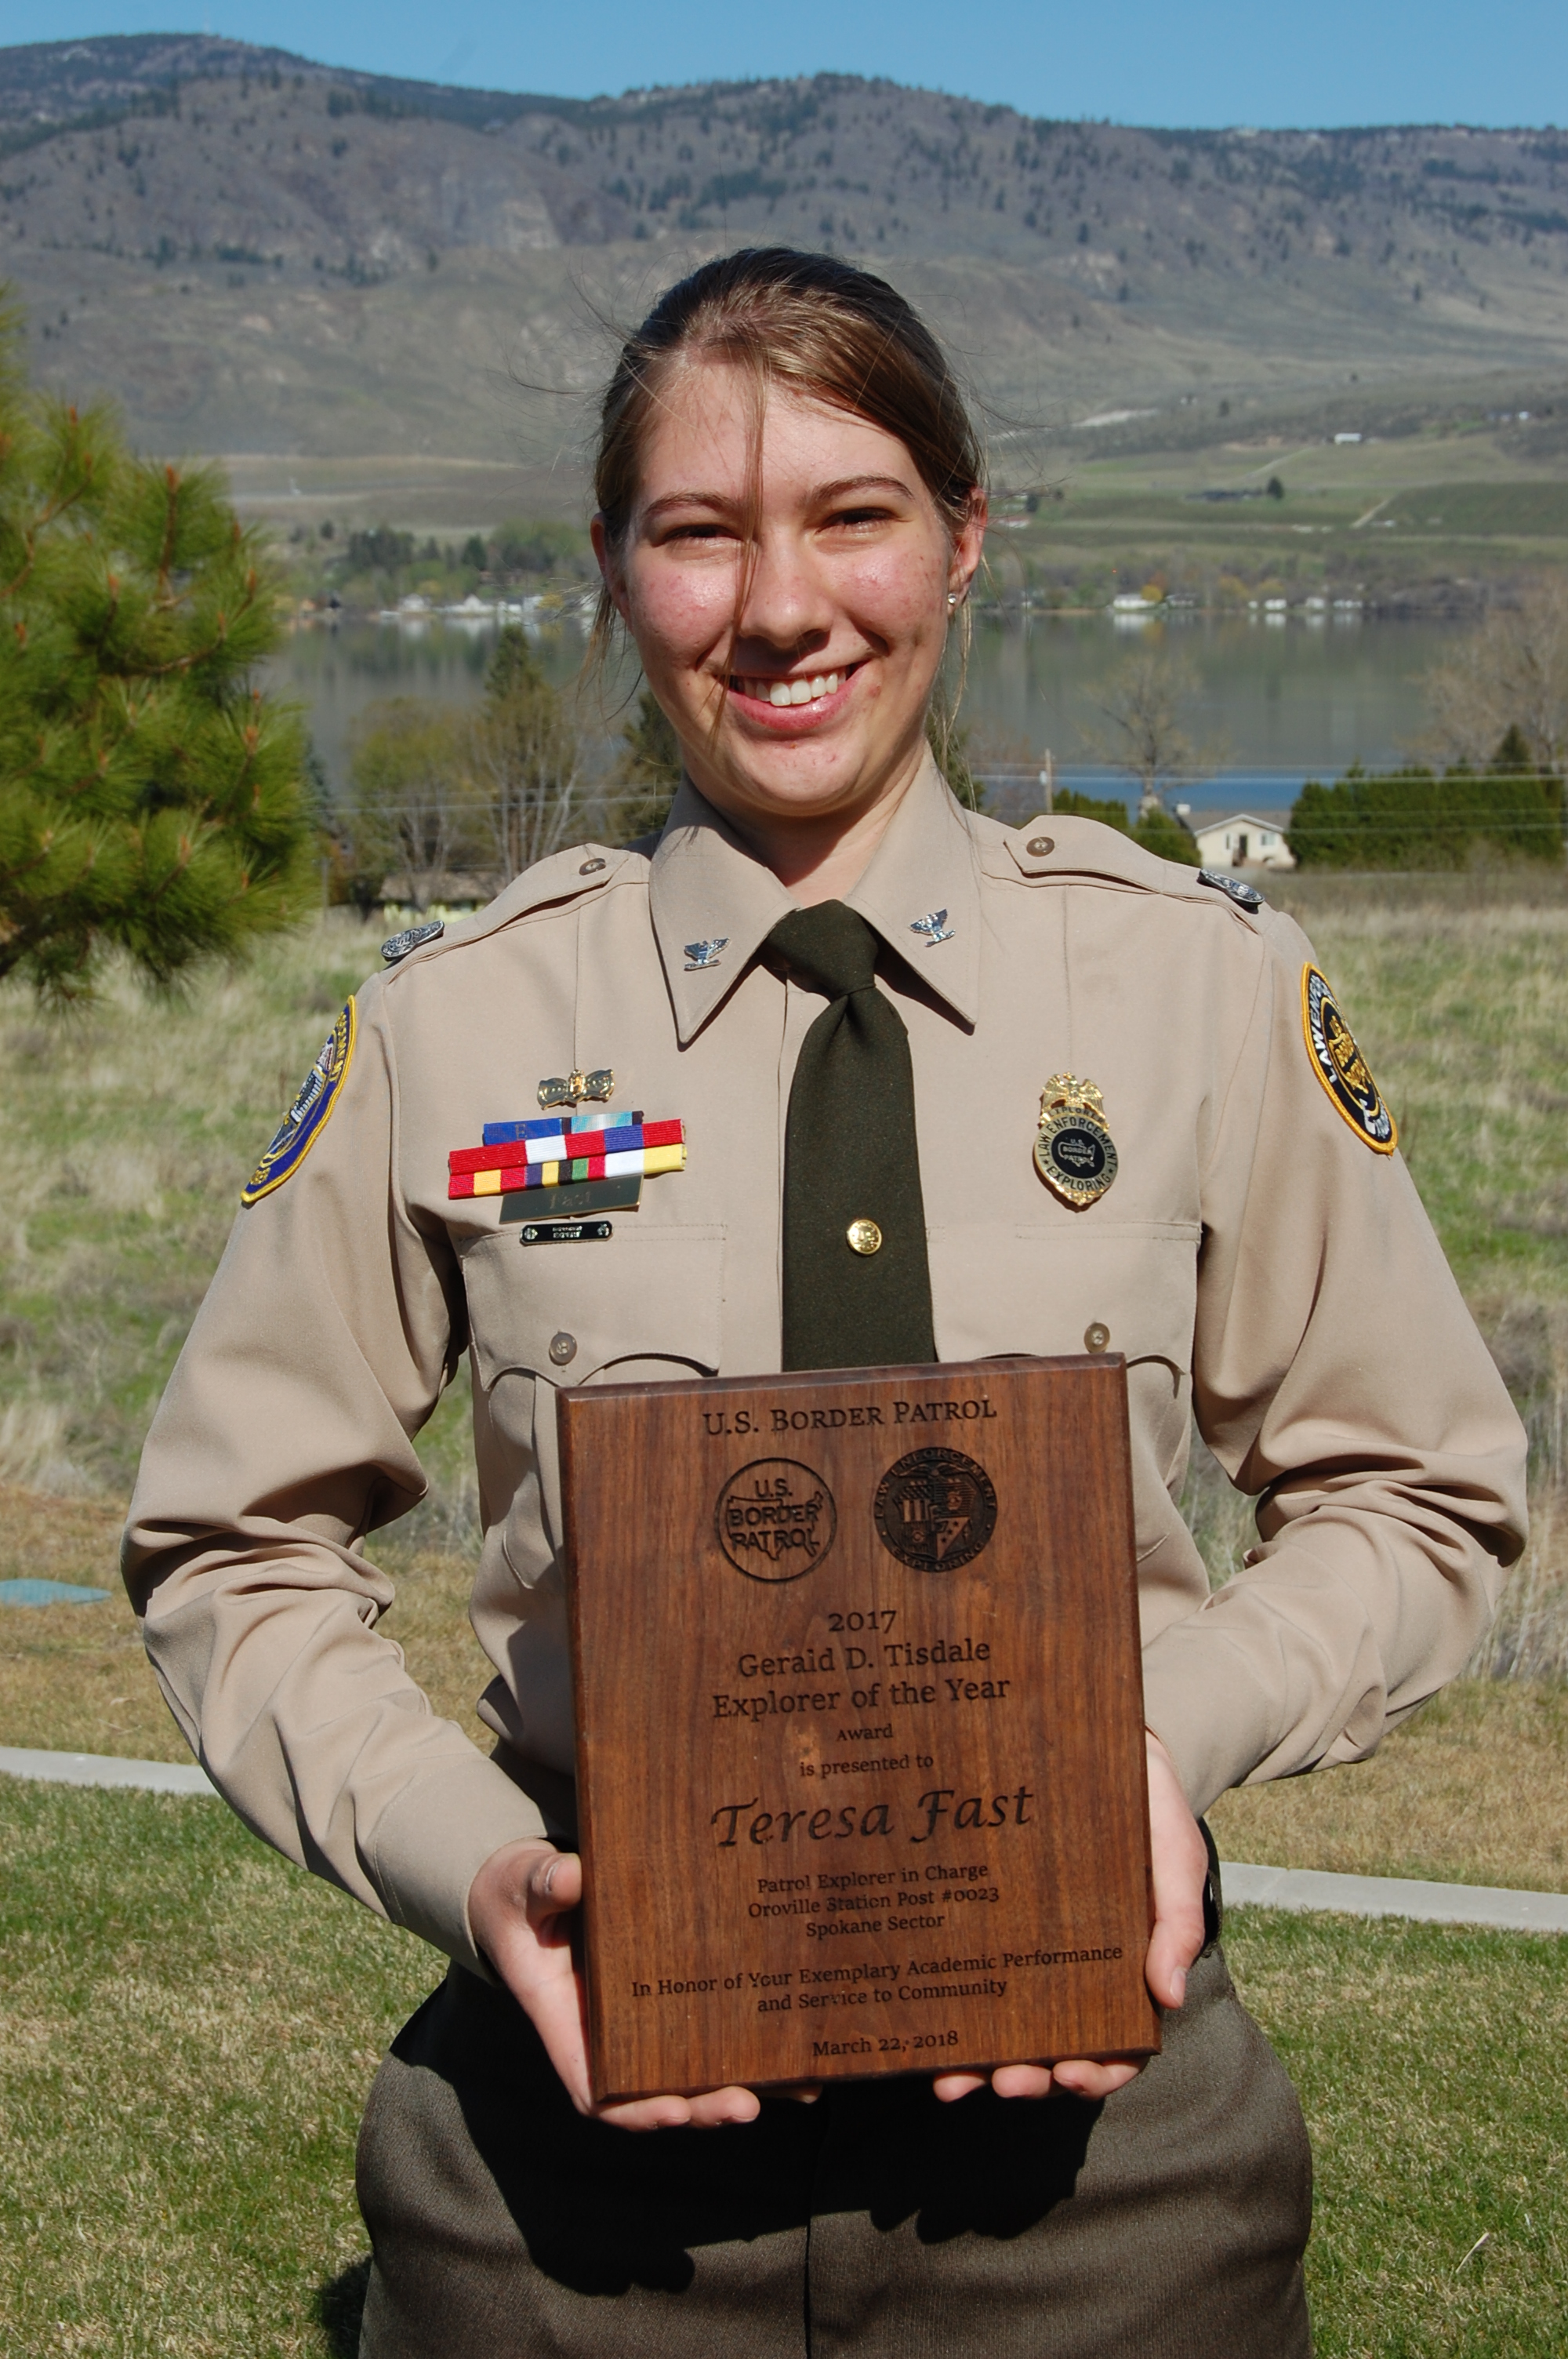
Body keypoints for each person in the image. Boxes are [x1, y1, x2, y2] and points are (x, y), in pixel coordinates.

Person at [124, 249, 1526, 2358]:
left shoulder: (1198, 997)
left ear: (963, 540)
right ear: (615, 573)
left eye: (853, 515)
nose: (781, 606)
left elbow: (1422, 1493)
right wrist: (469, 1867)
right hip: (573, 2208)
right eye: (700, 531)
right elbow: (231, 1540)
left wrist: (1161, 1741)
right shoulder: (462, 1029)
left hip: (1111, 2189)